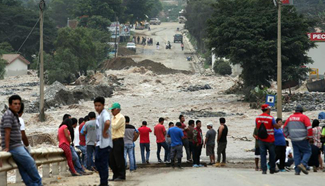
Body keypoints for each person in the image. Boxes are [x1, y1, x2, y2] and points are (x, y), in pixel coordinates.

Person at [1, 95, 43, 185]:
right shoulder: (8, 115)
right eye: (15, 104)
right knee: (31, 163)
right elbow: (7, 132)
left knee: (23, 168)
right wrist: (7, 147)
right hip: (14, 146)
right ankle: (38, 183)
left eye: (19, 104)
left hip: (19, 145)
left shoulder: (14, 115)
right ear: (10, 105)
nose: (17, 106)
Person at [283, 105, 313, 175]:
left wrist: (287, 136)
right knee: (307, 152)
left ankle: (297, 171)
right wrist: (310, 137)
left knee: (296, 155)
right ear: (302, 111)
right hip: (303, 138)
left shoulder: (290, 118)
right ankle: (303, 164)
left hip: (294, 139)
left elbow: (284, 128)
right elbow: (309, 127)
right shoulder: (304, 117)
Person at [94, 97, 113, 186]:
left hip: (105, 144)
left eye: (99, 105)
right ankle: (103, 181)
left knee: (103, 163)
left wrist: (104, 132)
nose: (97, 107)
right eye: (96, 106)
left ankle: (104, 183)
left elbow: (108, 122)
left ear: (103, 105)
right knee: (98, 163)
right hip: (99, 143)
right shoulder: (99, 115)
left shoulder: (105, 114)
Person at [255, 104, 279, 174]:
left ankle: (264, 169)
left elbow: (257, 127)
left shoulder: (257, 118)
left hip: (261, 139)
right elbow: (276, 127)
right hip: (270, 139)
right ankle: (272, 169)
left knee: (263, 155)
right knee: (272, 154)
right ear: (268, 109)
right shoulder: (271, 118)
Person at [109, 102, 126, 181]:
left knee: (119, 159)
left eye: (112, 110)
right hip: (112, 140)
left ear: (117, 109)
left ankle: (121, 175)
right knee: (111, 159)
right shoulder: (113, 118)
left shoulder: (121, 117)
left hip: (118, 140)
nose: (111, 112)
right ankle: (115, 174)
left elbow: (115, 126)